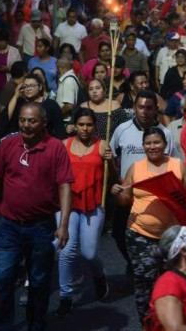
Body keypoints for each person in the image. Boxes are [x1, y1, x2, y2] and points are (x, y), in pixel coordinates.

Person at [0, 102, 73, 330]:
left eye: (32, 121)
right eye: (23, 120)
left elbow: (64, 186)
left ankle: (36, 325)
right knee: (3, 279)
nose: (26, 125)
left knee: (39, 282)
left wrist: (63, 224)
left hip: (41, 227)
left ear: (44, 123)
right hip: (8, 226)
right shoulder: (8, 145)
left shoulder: (55, 148)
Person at [111, 127, 186, 323]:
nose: (152, 146)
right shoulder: (136, 168)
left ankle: (171, 322)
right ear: (143, 146)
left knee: (173, 283)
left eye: (156, 142)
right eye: (148, 143)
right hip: (140, 234)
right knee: (144, 284)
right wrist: (117, 192)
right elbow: (125, 200)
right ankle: (148, 324)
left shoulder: (177, 165)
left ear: (165, 144)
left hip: (172, 238)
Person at [55, 108, 112, 317]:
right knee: (66, 251)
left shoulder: (102, 145)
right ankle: (65, 297)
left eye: (89, 125)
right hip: (67, 205)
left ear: (95, 127)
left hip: (94, 204)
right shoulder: (64, 145)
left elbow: (111, 175)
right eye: (81, 124)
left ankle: (99, 276)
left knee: (89, 253)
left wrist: (110, 159)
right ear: (74, 126)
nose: (85, 129)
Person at [109, 90, 175, 264]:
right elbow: (112, 157)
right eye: (140, 107)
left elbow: (174, 165)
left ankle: (150, 266)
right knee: (118, 233)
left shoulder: (165, 134)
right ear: (133, 108)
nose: (144, 111)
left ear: (156, 109)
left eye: (149, 107)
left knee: (153, 237)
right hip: (127, 195)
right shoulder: (122, 130)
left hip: (153, 198)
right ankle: (134, 263)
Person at [1, 74, 66, 139]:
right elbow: (5, 119)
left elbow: (59, 129)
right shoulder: (20, 103)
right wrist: (15, 96)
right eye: (25, 86)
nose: (28, 89)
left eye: (32, 86)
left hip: (46, 142)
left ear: (40, 87)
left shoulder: (51, 104)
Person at [56, 57, 80, 124]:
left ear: (59, 67)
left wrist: (56, 117)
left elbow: (69, 106)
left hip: (67, 121)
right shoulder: (70, 78)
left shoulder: (68, 81)